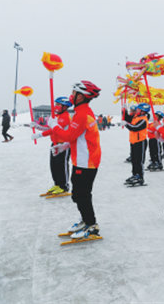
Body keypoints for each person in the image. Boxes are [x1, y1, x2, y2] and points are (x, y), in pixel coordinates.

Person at [47, 80, 102, 240]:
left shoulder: (82, 114)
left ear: (81, 96)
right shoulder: (83, 111)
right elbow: (80, 137)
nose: (71, 96)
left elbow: (69, 134)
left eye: (73, 93)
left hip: (86, 161)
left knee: (81, 194)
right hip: (84, 158)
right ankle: (86, 220)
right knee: (78, 193)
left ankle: (91, 226)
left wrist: (53, 125)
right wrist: (65, 147)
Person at [30, 96, 73, 195]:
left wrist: (39, 135)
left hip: (63, 144)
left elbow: (54, 129)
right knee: (54, 165)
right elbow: (49, 127)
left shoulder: (65, 117)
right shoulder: (56, 116)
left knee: (62, 165)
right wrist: (38, 126)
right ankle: (57, 184)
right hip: (54, 143)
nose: (56, 106)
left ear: (65, 107)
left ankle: (64, 186)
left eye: (58, 104)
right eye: (56, 104)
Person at [122, 103, 150, 185]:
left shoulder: (143, 119)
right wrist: (123, 110)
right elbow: (126, 118)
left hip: (140, 142)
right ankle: (135, 174)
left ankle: (140, 176)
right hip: (133, 141)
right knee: (134, 160)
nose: (136, 110)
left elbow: (135, 128)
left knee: (139, 160)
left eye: (138, 109)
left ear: (143, 111)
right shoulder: (136, 117)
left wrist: (126, 125)